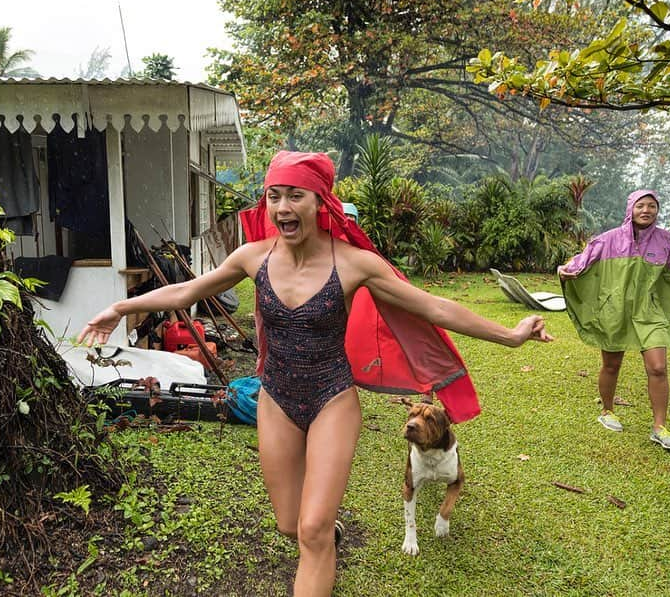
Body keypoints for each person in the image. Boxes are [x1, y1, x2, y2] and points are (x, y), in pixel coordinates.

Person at [78, 151, 552, 597]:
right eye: (274, 195)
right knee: (290, 524)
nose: (282, 207)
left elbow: (435, 306)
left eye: (295, 195)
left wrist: (510, 335)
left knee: (312, 530)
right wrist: (119, 306)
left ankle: (323, 536)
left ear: (319, 200)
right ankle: (329, 534)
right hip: (276, 400)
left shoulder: (353, 264)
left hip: (332, 399)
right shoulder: (253, 257)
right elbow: (185, 290)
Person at [558, 189, 670, 450]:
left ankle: (659, 427)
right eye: (641, 205)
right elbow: (583, 261)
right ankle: (607, 410)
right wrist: (567, 270)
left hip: (649, 312)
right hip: (614, 310)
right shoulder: (608, 240)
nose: (646, 210)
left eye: (652, 206)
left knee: (658, 367)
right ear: (630, 209)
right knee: (612, 365)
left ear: (657, 211)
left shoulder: (666, 241)